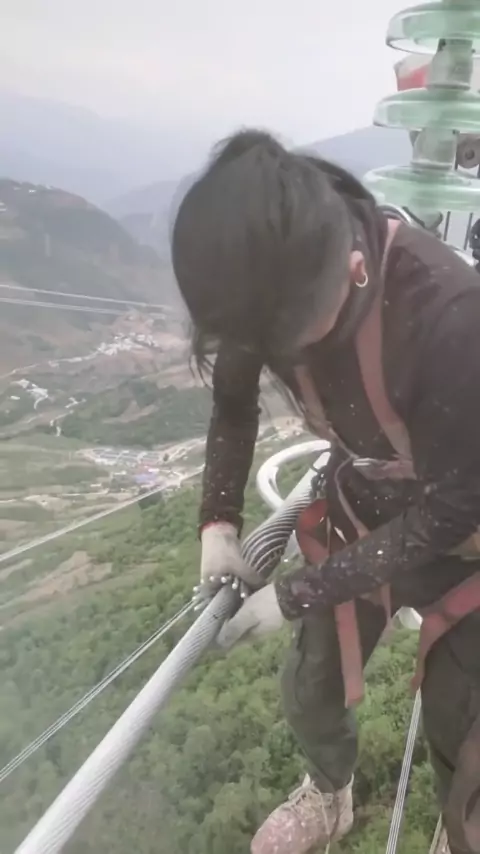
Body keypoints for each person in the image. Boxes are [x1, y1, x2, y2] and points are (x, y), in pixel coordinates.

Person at [171, 129, 480, 854]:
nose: (291, 359)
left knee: (461, 719)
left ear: (354, 268)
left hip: (464, 534)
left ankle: (457, 831)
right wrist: (218, 521)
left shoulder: (447, 314)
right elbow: (234, 405)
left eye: (299, 341)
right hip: (365, 502)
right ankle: (329, 794)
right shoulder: (270, 287)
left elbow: (452, 509)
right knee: (311, 687)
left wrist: (296, 593)